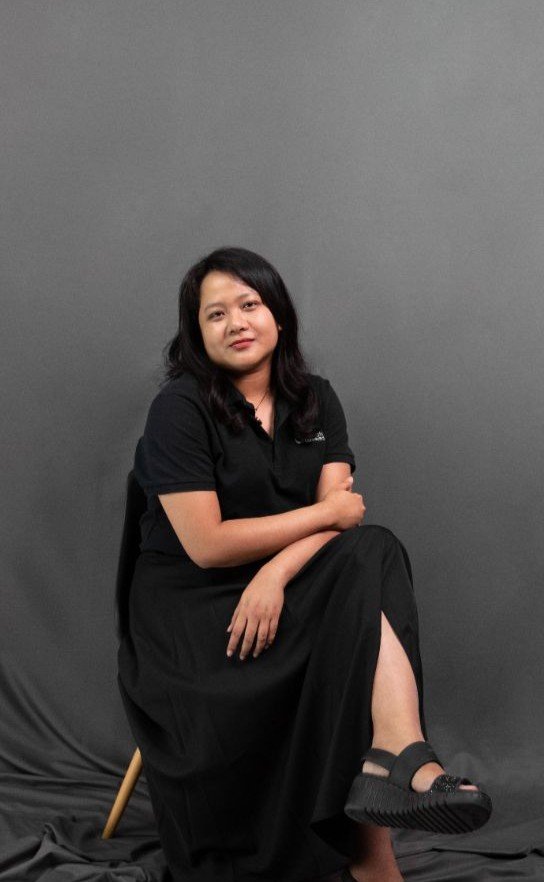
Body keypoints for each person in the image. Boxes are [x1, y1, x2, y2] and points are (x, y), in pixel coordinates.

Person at [116, 246, 492, 882]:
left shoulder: (317, 400)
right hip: (193, 612)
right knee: (361, 582)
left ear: (279, 315)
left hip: (280, 590)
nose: (236, 322)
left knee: (371, 553)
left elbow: (346, 529)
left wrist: (276, 572)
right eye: (215, 314)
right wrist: (321, 519)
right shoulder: (179, 407)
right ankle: (391, 787)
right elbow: (209, 543)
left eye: (249, 304)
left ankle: (393, 759)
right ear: (196, 333)